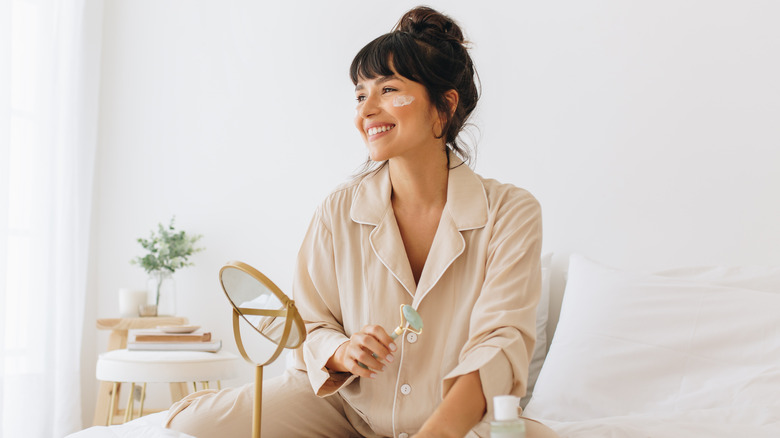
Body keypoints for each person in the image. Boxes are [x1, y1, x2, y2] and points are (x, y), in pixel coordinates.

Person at [166, 6, 558, 438]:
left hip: (459, 421)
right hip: (347, 411)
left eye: (389, 89)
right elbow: (311, 325)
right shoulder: (338, 211)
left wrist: (437, 434)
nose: (366, 110)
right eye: (359, 95)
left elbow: (500, 345)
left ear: (444, 107)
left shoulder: (511, 212)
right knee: (194, 424)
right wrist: (343, 351)